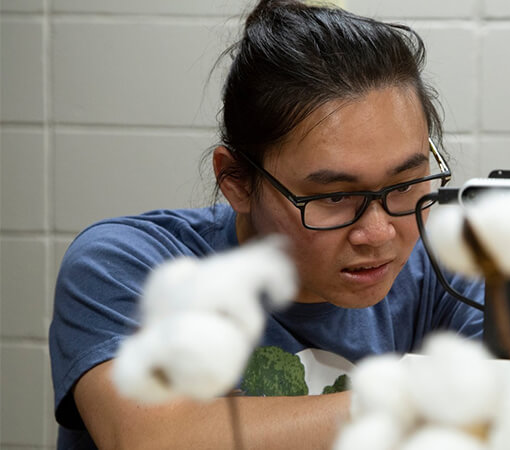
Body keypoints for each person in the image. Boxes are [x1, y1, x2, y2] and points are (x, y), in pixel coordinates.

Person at [49, 1, 484, 449]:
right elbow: (151, 436)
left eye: (405, 184)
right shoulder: (126, 265)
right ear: (235, 180)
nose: (378, 234)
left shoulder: (437, 270)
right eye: (333, 197)